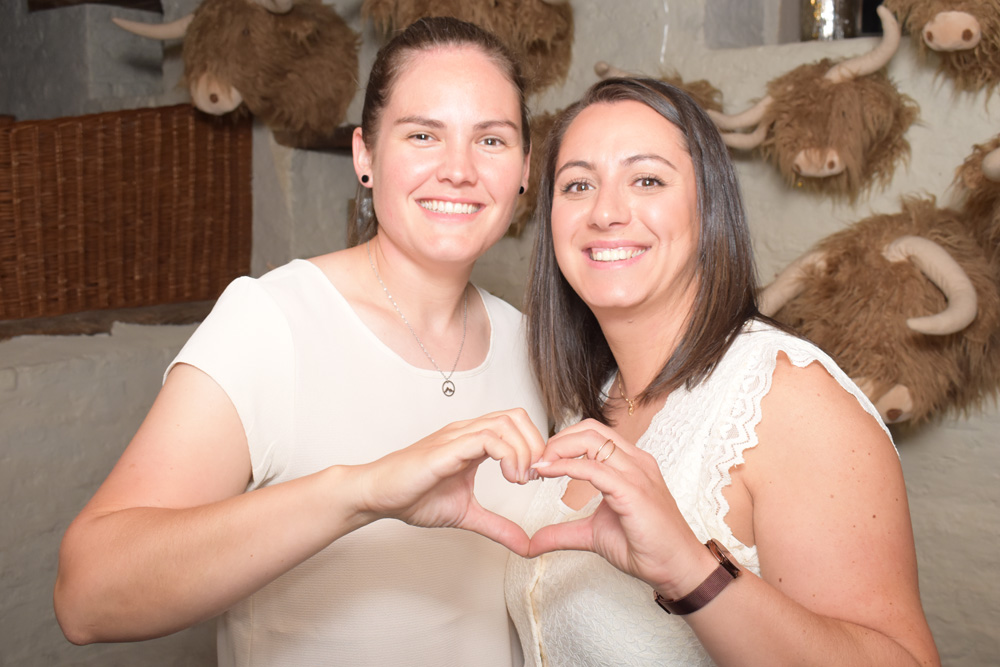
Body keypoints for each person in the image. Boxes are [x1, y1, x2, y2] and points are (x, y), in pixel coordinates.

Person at [54, 17, 549, 666]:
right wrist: (363, 490)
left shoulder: (535, 346)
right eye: (423, 134)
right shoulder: (270, 322)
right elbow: (86, 595)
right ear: (365, 157)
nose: (458, 169)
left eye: (491, 139)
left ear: (523, 170)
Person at [505, 77, 941, 666]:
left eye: (648, 180)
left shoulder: (788, 396)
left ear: (708, 207)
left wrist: (690, 569)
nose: (605, 212)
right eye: (578, 184)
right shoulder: (583, 403)